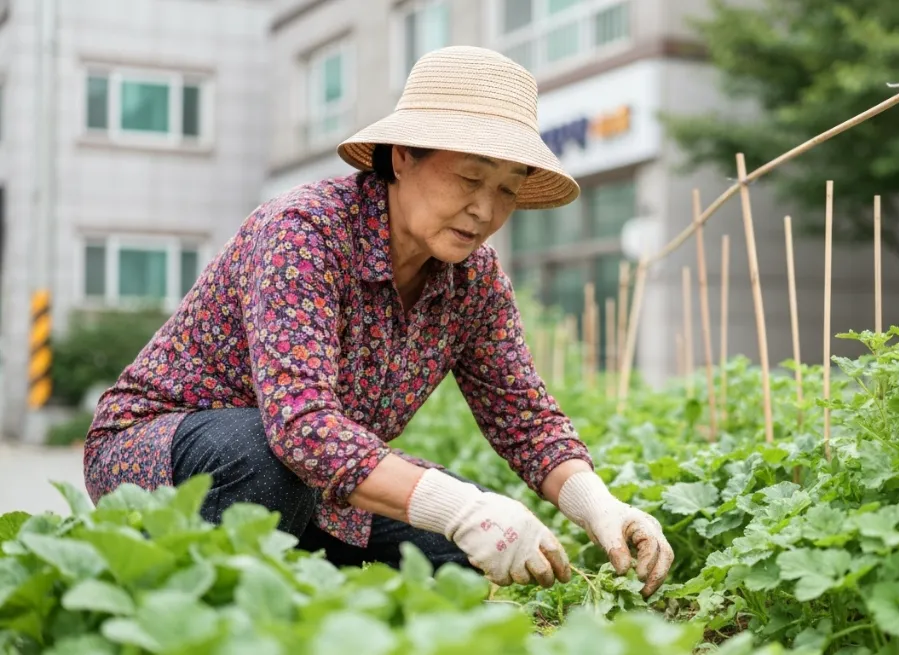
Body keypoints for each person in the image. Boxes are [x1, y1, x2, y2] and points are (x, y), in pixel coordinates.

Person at [83, 45, 673, 596]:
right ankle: (212, 603)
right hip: (164, 452)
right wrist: (461, 509)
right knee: (268, 461)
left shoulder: (474, 279)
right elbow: (302, 427)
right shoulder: (305, 232)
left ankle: (304, 578)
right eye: (471, 178)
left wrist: (600, 506)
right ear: (402, 156)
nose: (485, 210)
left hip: (310, 478)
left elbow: (523, 417)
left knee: (461, 553)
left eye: (506, 191)